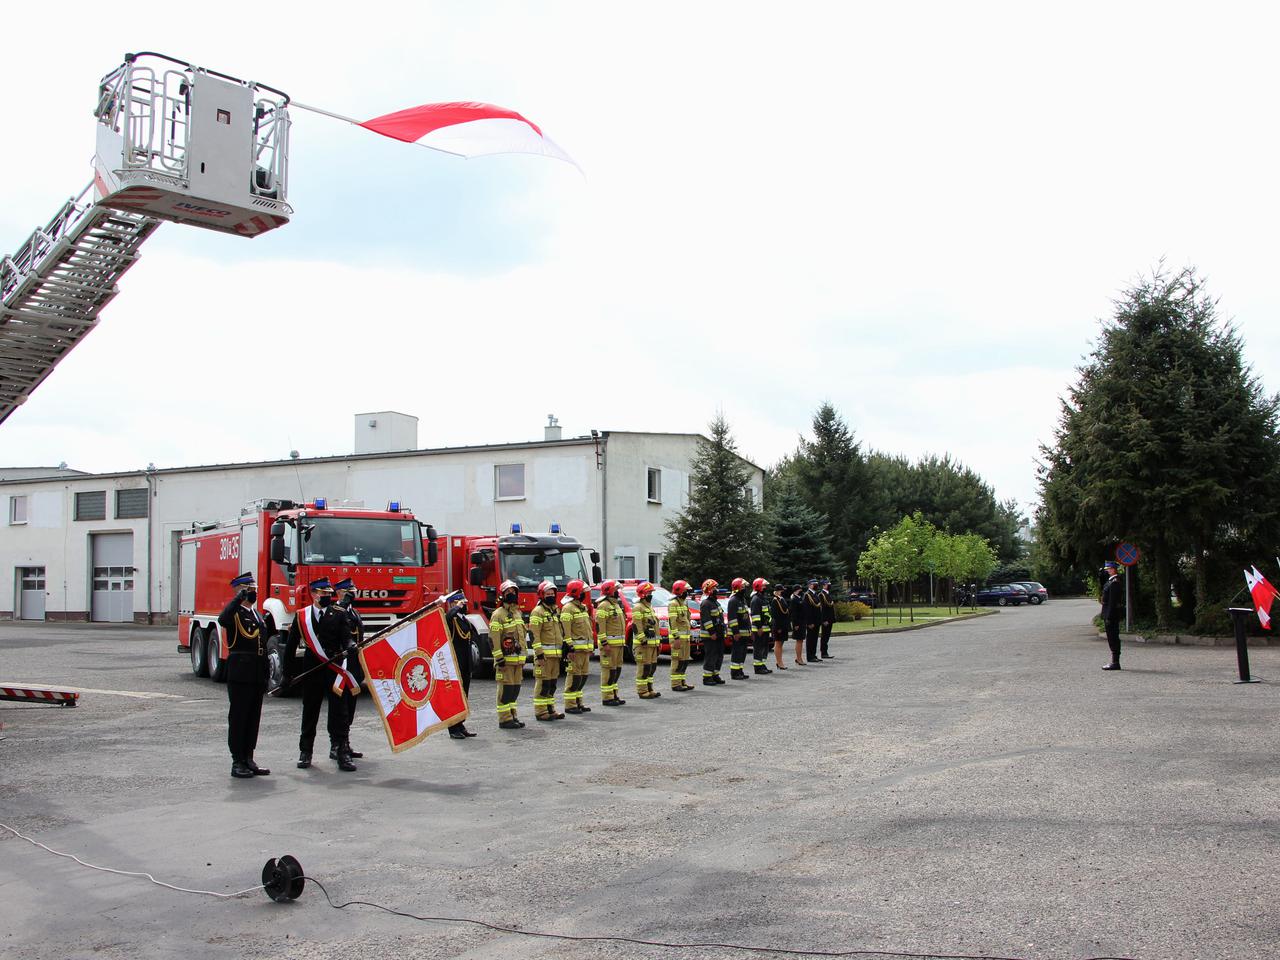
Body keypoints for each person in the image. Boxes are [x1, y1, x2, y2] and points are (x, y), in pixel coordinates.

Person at [285, 577, 358, 771]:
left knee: (339, 712)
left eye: (329, 594)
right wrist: (286, 674)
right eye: (324, 594)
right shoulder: (302, 616)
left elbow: (347, 637)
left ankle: (341, 751)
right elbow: (291, 647)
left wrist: (351, 646)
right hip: (312, 669)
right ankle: (305, 751)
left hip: (333, 667)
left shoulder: (339, 613)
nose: (327, 596)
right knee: (310, 710)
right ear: (314, 594)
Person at [218, 572, 273, 779]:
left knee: (253, 717)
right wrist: (237, 599)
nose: (254, 593)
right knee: (239, 717)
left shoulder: (257, 614)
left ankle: (249, 757)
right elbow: (223, 620)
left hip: (257, 671)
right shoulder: (235, 613)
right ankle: (237, 760)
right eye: (249, 590)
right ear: (240, 590)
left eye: (254, 589)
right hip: (241, 671)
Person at [331, 578, 365, 760]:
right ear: (340, 593)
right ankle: (336, 745)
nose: (354, 593)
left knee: (350, 708)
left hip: (353, 666)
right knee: (339, 708)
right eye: (349, 591)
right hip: (340, 667)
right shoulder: (335, 611)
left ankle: (345, 743)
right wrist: (343, 605)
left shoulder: (355, 612)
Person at [489, 580, 527, 728]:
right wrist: (499, 658)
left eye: (513, 592)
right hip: (505, 661)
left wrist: (523, 657)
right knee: (505, 691)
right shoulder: (498, 615)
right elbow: (494, 638)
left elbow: (522, 637)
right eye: (508, 593)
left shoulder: (517, 613)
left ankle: (513, 716)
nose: (511, 595)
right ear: (502, 595)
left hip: (517, 661)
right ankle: (505, 719)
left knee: (514, 690)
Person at [529, 581, 566, 721]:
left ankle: (551, 709)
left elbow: (560, 631)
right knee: (543, 684)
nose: (550, 596)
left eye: (552, 594)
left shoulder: (556, 610)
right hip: (543, 656)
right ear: (541, 595)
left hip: (555, 655)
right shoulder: (537, 612)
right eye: (547, 594)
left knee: (552, 684)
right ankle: (540, 712)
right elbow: (534, 635)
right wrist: (539, 653)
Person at [560, 579, 594, 713]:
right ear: (576, 593)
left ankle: (578, 702)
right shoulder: (568, 608)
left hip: (584, 650)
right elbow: (565, 631)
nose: (584, 594)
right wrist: (569, 648)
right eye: (582, 591)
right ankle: (570, 705)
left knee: (582, 676)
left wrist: (590, 648)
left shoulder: (581, 607)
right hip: (575, 651)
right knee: (573, 677)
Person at [446, 596, 478, 738]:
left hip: (466, 662)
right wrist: (456, 607)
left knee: (464, 695)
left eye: (464, 602)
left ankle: (461, 724)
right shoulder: (451, 617)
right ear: (453, 603)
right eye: (461, 602)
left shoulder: (463, 618)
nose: (464, 605)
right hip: (456, 662)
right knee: (455, 697)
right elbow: (449, 616)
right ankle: (453, 728)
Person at [595, 580, 628, 706]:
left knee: (616, 670)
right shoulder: (603, 605)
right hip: (609, 645)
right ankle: (607, 697)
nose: (618, 592)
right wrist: (604, 644)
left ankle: (614, 694)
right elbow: (600, 627)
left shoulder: (616, 605)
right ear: (609, 591)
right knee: (608, 671)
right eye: (615, 589)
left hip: (618, 644)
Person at [631, 581, 662, 699]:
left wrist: (658, 642)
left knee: (651, 667)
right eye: (649, 592)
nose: (651, 595)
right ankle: (642, 691)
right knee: (643, 668)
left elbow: (654, 626)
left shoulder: (649, 607)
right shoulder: (638, 608)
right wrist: (642, 639)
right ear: (643, 594)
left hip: (652, 644)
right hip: (643, 645)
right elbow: (636, 626)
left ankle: (650, 689)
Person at [667, 579, 696, 691]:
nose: (687, 593)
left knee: (684, 661)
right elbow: (672, 622)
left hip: (685, 639)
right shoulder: (673, 604)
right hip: (677, 639)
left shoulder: (683, 604)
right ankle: (675, 684)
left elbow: (686, 621)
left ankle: (682, 682)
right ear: (680, 591)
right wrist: (676, 637)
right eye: (685, 591)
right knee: (677, 661)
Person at [726, 577, 753, 680]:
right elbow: (732, 618)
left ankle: (740, 671)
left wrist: (749, 630)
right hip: (738, 633)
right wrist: (735, 632)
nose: (744, 588)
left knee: (742, 653)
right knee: (737, 653)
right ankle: (734, 673)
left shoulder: (742, 600)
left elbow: (746, 616)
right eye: (743, 587)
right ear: (737, 588)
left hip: (745, 632)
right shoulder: (733, 601)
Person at [700, 579, 726, 685]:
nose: (716, 590)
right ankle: (707, 677)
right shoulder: (705, 603)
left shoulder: (715, 602)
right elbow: (706, 620)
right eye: (714, 588)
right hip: (710, 636)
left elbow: (720, 618)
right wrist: (712, 633)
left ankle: (715, 675)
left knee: (719, 655)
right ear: (709, 590)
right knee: (711, 655)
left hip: (718, 634)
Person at [1101, 561, 1125, 670]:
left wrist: (1109, 616)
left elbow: (1112, 601)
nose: (1107, 570)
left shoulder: (1115, 582)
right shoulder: (1111, 581)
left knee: (1113, 638)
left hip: (1112, 614)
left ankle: (1115, 662)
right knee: (1111, 638)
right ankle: (1114, 661)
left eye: (1109, 569)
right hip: (1109, 613)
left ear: (1114, 569)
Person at [749, 577, 774, 675]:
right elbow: (755, 615)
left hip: (765, 628)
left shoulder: (762, 598)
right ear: (758, 586)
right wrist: (759, 627)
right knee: (759, 648)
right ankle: (758, 667)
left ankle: (762, 665)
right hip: (759, 629)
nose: (765, 587)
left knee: (764, 648)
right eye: (763, 585)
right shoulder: (756, 599)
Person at [769, 581, 790, 670]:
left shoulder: (781, 599)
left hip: (783, 624)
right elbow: (775, 615)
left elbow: (785, 611)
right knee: (778, 643)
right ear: (778, 591)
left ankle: (780, 662)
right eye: (781, 590)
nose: (783, 592)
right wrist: (778, 627)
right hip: (778, 626)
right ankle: (779, 662)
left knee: (781, 643)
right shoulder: (775, 601)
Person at [804, 579, 824, 662]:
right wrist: (809, 622)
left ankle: (814, 655)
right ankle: (810, 656)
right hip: (811, 621)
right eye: (814, 584)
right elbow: (807, 610)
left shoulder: (815, 594)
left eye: (816, 584)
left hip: (817, 620)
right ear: (809, 585)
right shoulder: (807, 595)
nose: (816, 585)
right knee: (810, 639)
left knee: (815, 638)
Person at [791, 584, 808, 665]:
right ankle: (799, 658)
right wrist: (796, 624)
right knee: (799, 640)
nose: (801, 591)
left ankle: (799, 657)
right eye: (800, 589)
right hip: (798, 623)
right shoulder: (794, 599)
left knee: (801, 640)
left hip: (802, 622)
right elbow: (794, 613)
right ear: (797, 590)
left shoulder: (799, 598)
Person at [819, 579, 836, 659]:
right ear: (824, 585)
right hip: (826, 619)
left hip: (830, 618)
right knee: (824, 636)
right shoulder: (821, 595)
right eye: (827, 584)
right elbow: (822, 609)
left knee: (827, 635)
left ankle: (825, 652)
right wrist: (824, 620)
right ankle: (823, 652)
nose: (829, 585)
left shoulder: (828, 594)